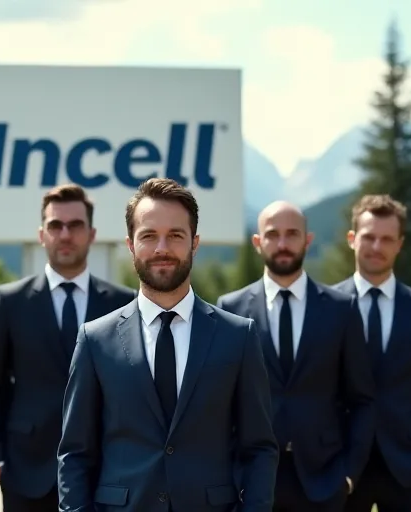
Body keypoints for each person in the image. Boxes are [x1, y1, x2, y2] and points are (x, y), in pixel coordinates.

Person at [57, 178, 278, 512]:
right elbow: (75, 454)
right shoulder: (95, 339)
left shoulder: (238, 336)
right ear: (131, 244)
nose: (162, 247)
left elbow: (259, 448)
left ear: (195, 243)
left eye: (175, 235)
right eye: (148, 236)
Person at [0, 184, 135, 512]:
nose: (65, 234)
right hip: (25, 470)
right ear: (42, 234)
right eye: (55, 225)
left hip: (104, 469)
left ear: (91, 233)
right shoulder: (10, 301)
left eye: (75, 225)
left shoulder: (123, 303)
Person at [216, 200, 375, 511]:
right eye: (273, 235)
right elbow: (220, 403)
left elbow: (362, 399)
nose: (283, 244)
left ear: (307, 240)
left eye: (292, 234)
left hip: (324, 480)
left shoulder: (342, 308)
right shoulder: (230, 308)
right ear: (258, 242)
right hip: (251, 482)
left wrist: (348, 474)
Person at [332, 195, 411, 512]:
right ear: (352, 239)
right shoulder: (324, 307)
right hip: (340, 468)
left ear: (399, 244)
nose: (377, 246)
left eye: (387, 239)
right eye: (369, 237)